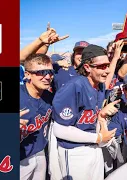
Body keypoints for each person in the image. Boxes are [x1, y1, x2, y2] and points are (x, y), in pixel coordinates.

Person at [52, 44, 118, 180]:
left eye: (107, 65)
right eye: (101, 66)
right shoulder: (73, 87)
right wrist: (98, 138)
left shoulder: (99, 85)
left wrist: (101, 117)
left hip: (94, 148)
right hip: (75, 152)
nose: (106, 70)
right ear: (87, 67)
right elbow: (59, 129)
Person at [20, 53, 55, 180]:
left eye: (50, 72)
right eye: (41, 72)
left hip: (39, 153)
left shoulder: (49, 97)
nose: (47, 76)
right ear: (27, 74)